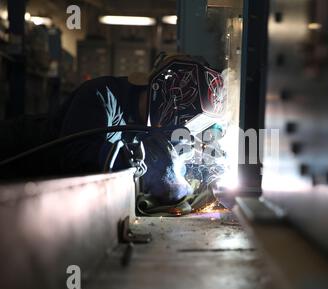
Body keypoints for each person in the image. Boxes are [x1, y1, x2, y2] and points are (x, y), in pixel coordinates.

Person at [0, 53, 226, 205]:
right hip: (16, 160)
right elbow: (74, 155)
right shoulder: (102, 94)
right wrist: (137, 159)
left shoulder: (150, 129)